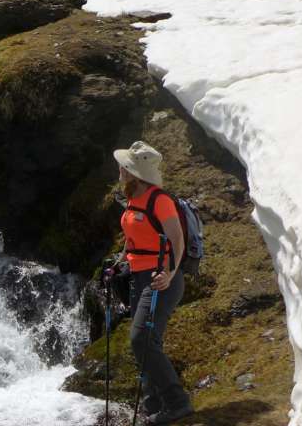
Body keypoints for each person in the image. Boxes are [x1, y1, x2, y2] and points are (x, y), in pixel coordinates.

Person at [114, 141, 193, 425]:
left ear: (137, 173)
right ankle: (153, 404)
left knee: (142, 339)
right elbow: (135, 235)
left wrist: (169, 274)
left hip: (161, 279)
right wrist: (120, 260)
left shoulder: (159, 200)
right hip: (139, 276)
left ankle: (178, 403)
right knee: (145, 342)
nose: (120, 169)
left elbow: (177, 240)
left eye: (126, 166)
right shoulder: (134, 198)